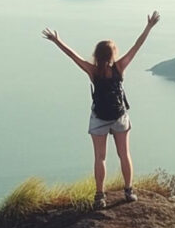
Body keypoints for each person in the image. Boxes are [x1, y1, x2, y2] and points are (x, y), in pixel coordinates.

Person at [42, 11, 160, 209]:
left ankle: (100, 196)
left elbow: (73, 56)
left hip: (99, 117)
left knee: (100, 157)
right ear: (113, 54)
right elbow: (136, 46)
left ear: (97, 54)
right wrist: (148, 27)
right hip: (119, 116)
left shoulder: (92, 70)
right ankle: (129, 190)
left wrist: (57, 40)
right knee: (125, 154)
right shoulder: (119, 67)